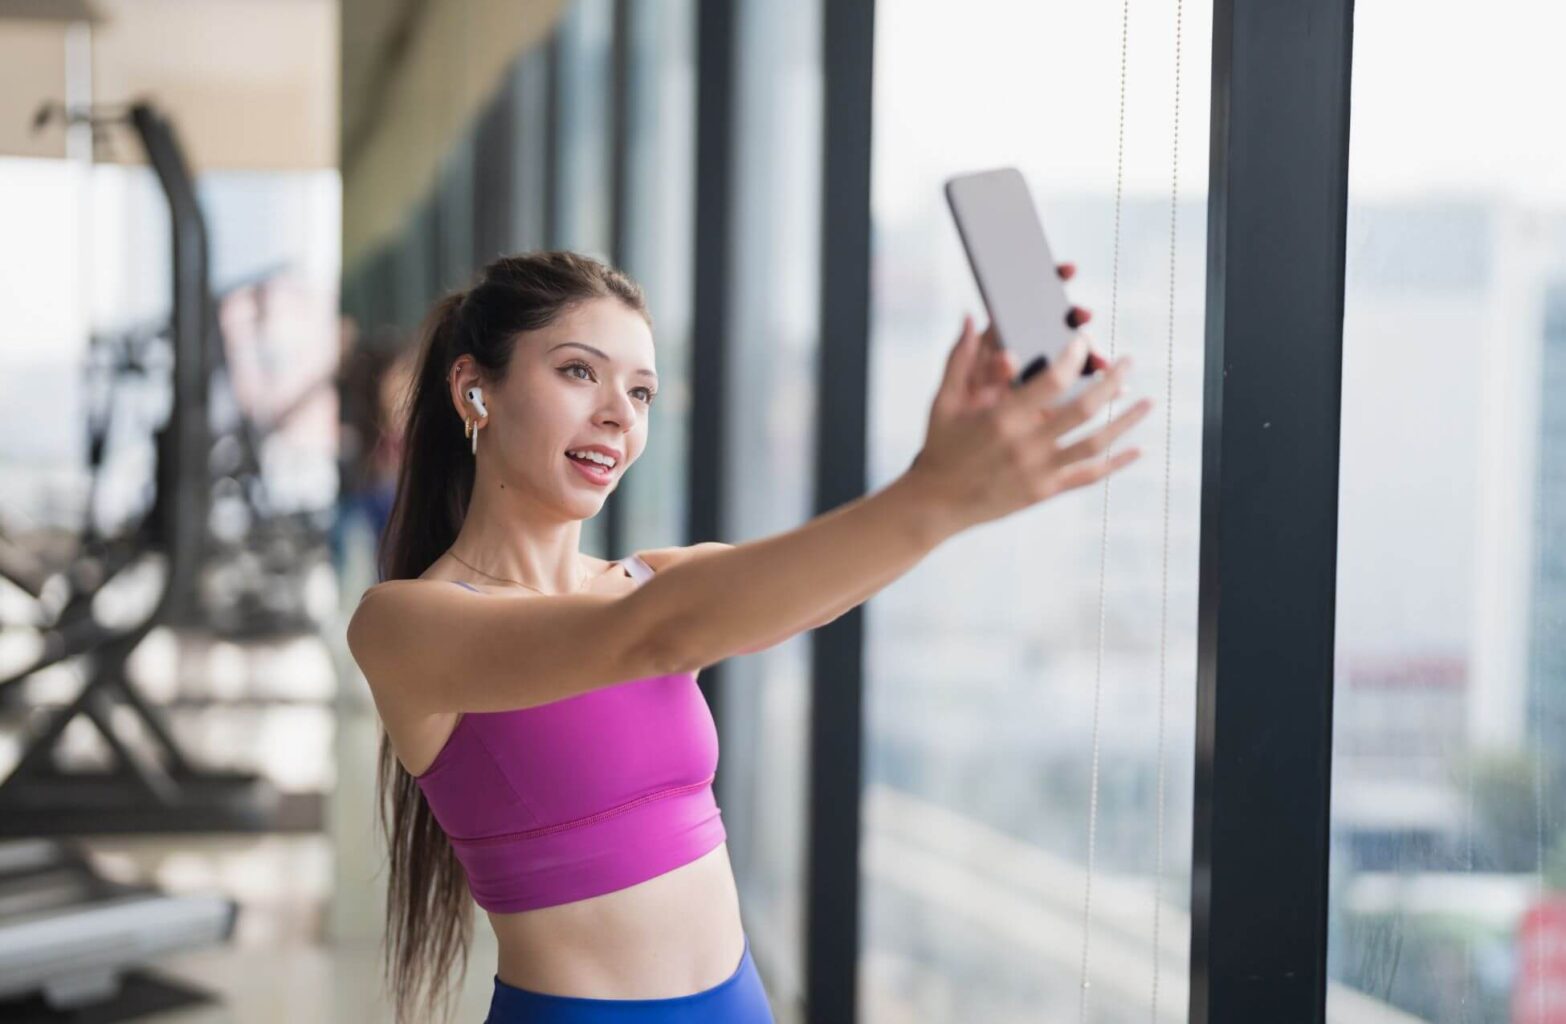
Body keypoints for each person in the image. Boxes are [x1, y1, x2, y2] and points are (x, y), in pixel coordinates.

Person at [345, 250, 1152, 1024]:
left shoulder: (647, 580)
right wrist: (936, 494)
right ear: (474, 389)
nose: (619, 414)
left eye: (642, 392)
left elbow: (814, 596)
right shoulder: (404, 624)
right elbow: (650, 637)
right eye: (579, 372)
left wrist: (951, 484)